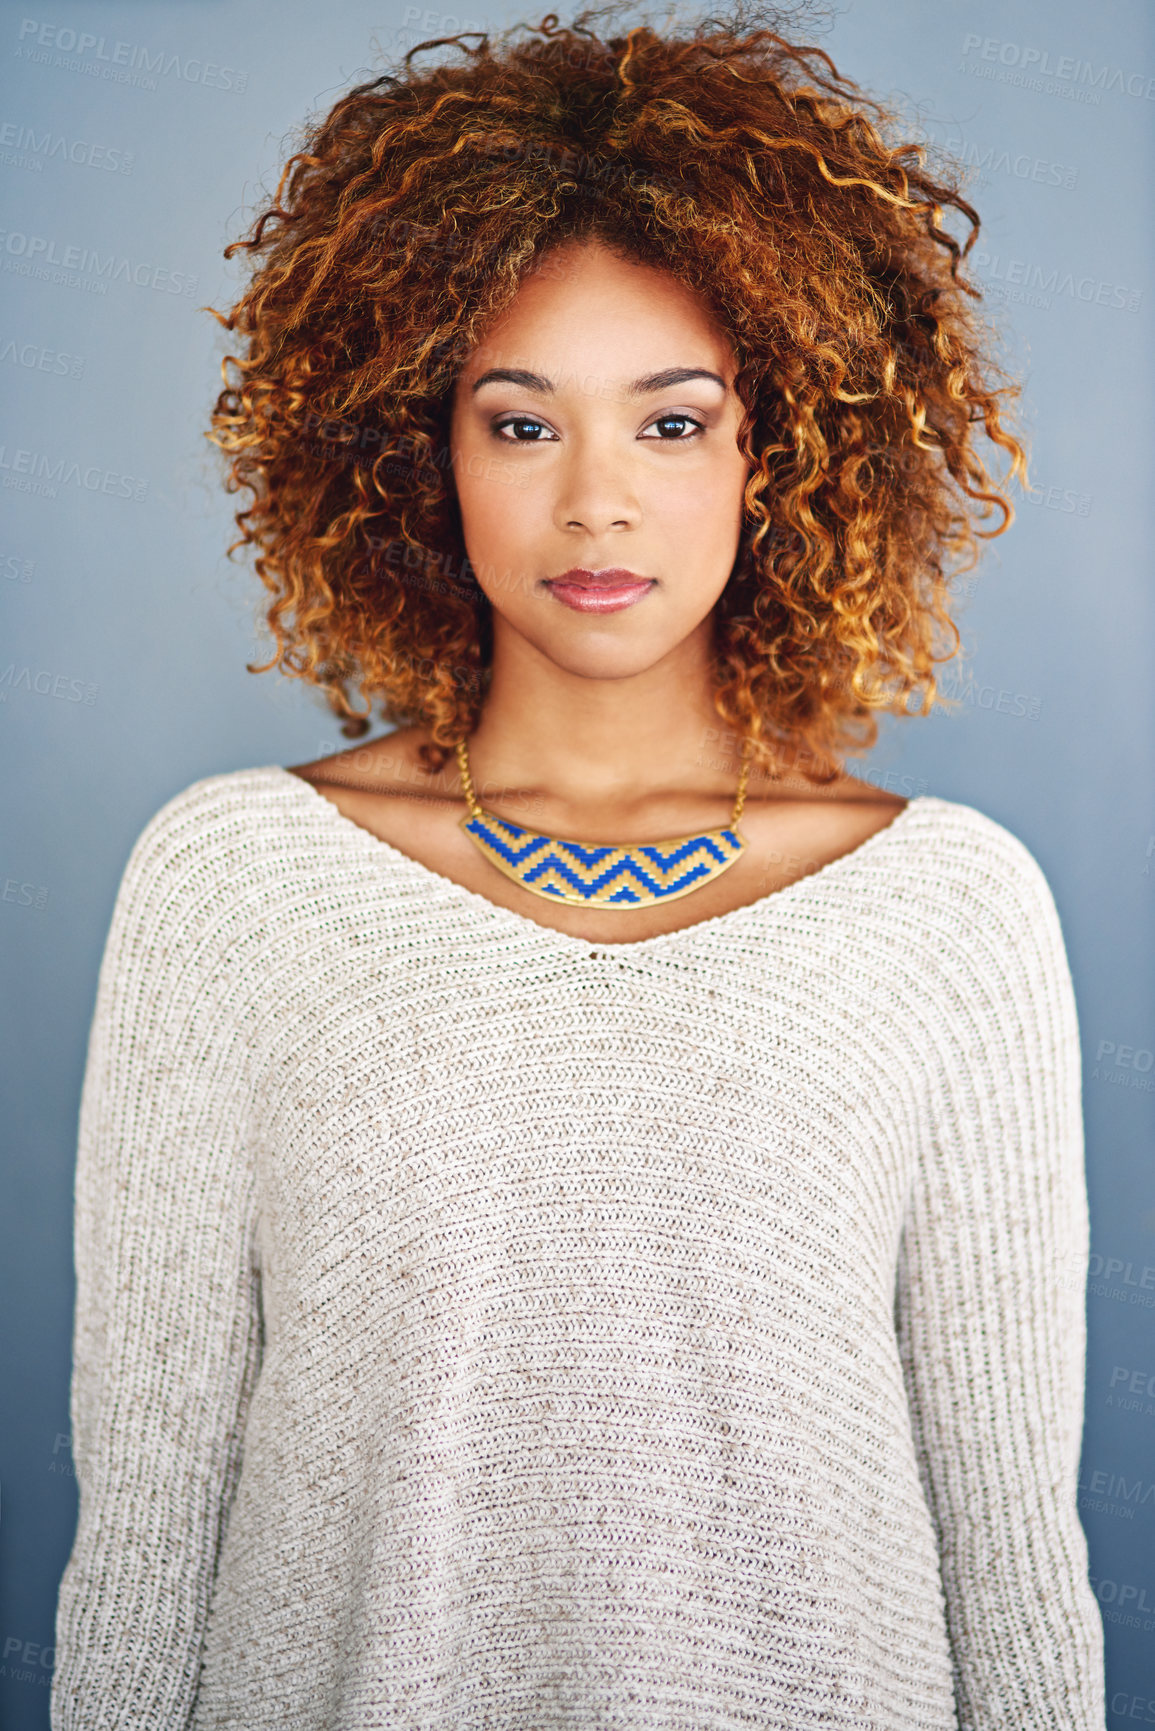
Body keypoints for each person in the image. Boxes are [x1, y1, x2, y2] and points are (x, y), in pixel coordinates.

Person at [51, 6, 1107, 1726]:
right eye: (522, 424)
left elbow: (1012, 1567)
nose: (597, 501)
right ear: (421, 451)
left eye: (675, 423)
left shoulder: (950, 917)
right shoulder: (232, 890)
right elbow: (148, 1545)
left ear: (782, 453)